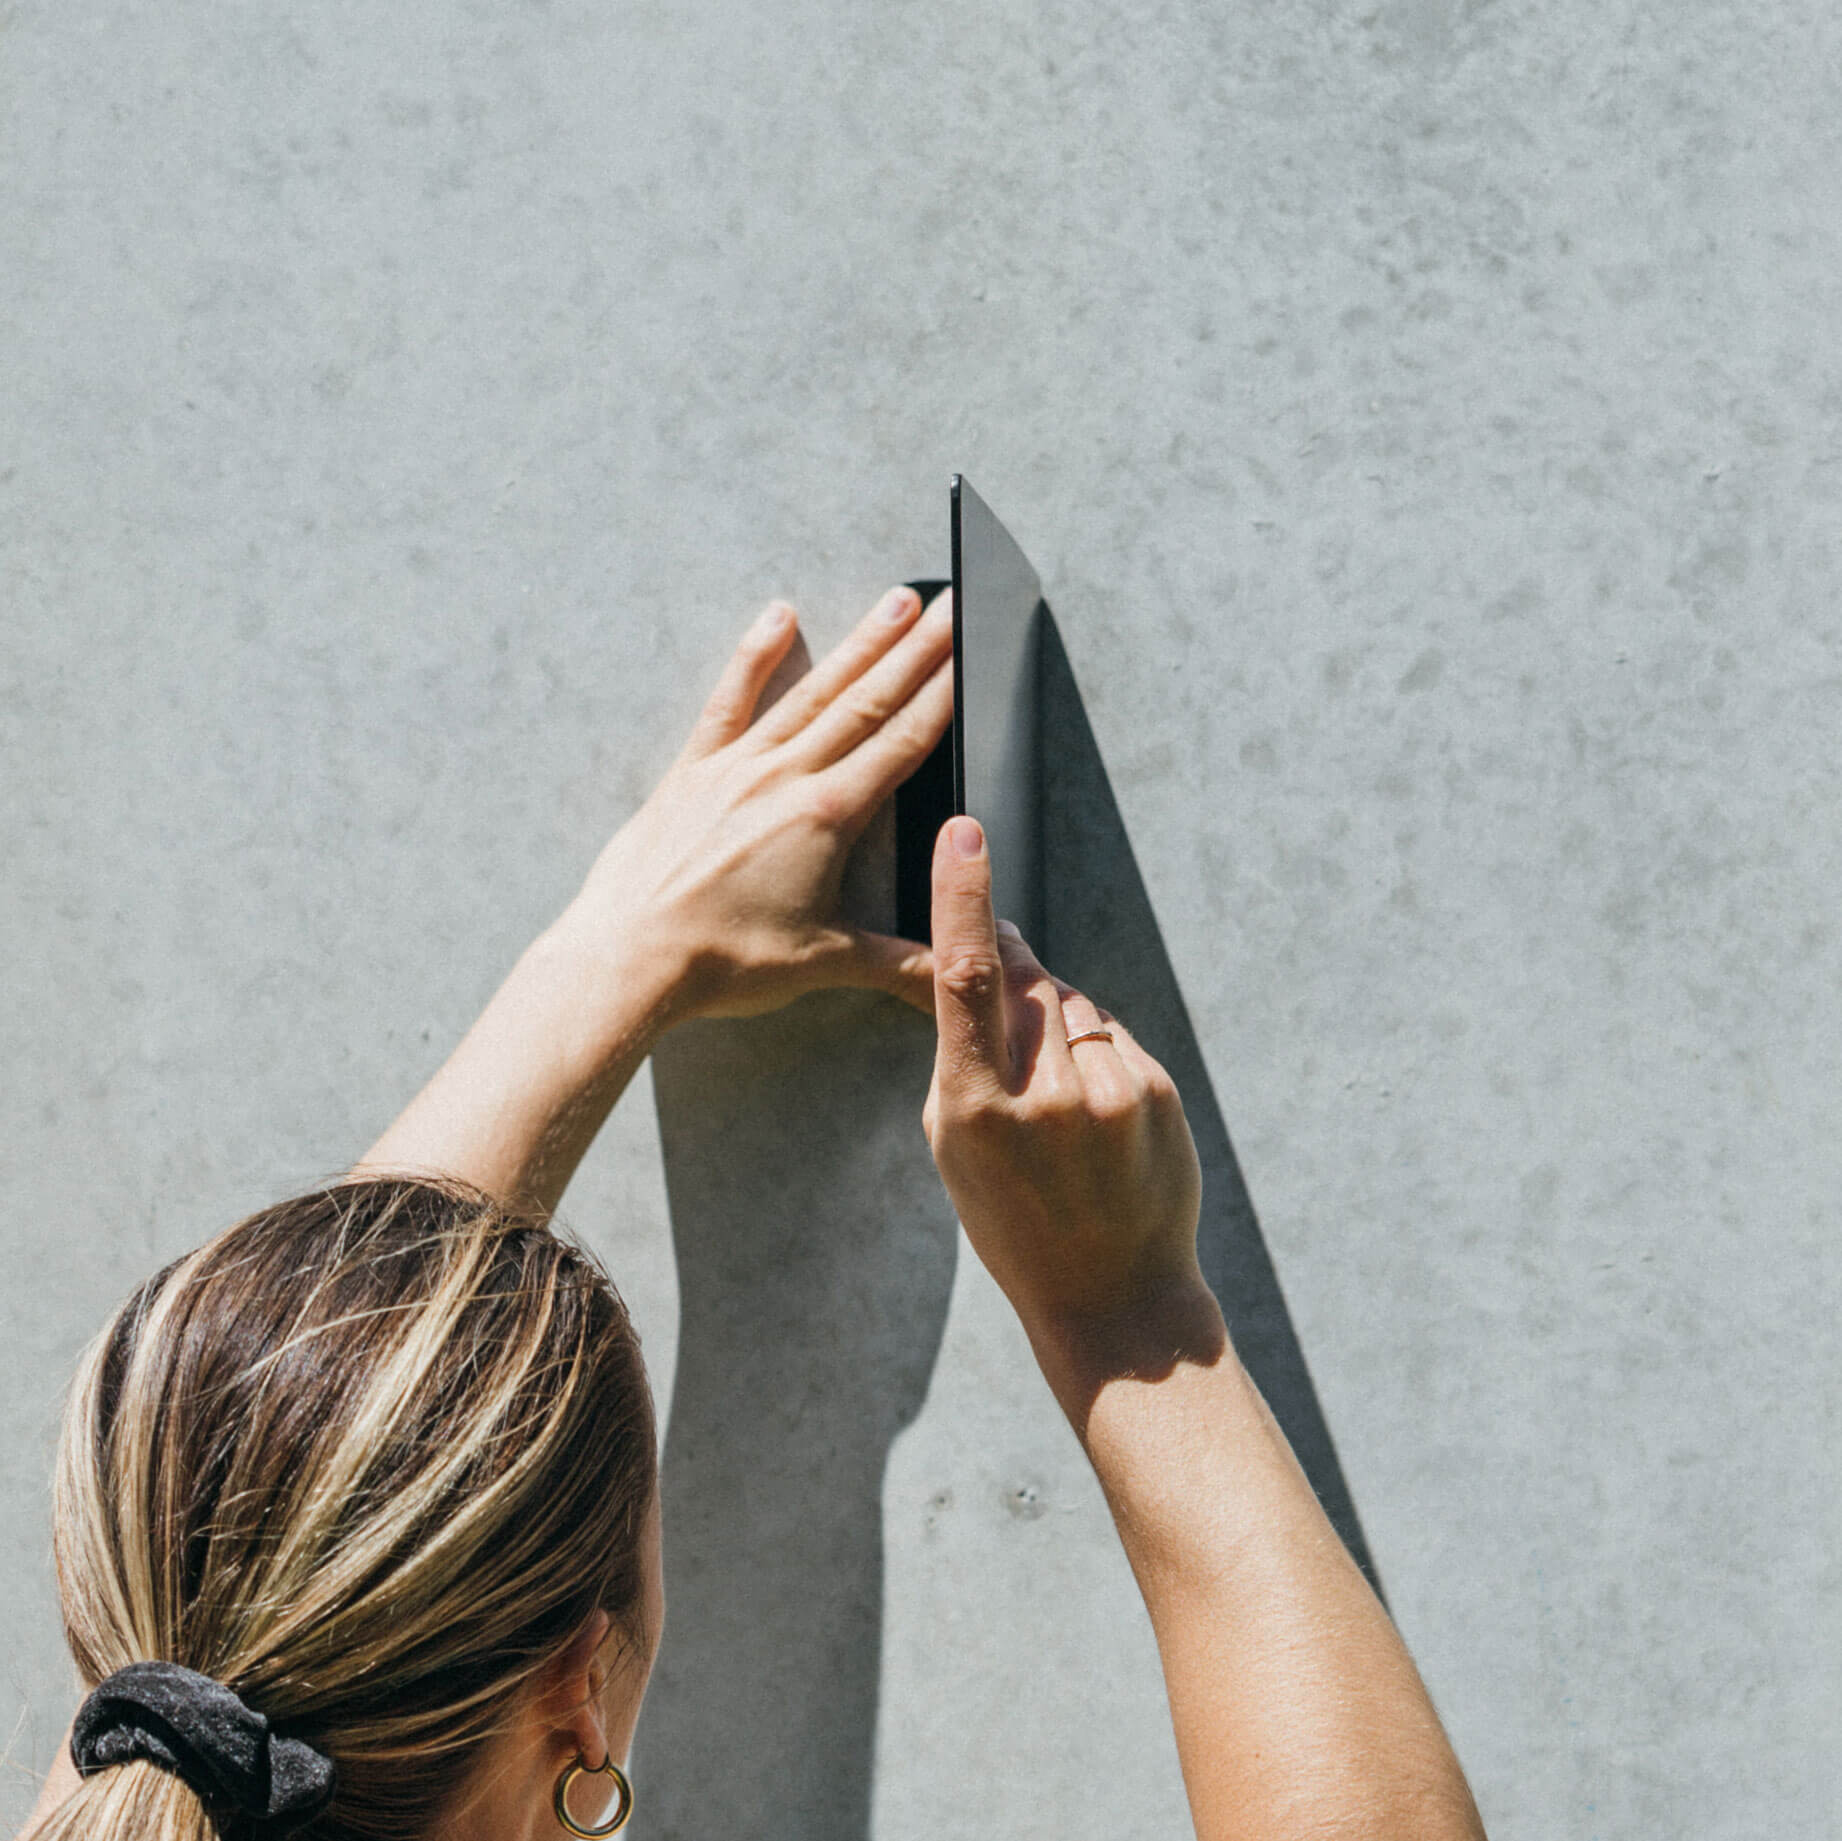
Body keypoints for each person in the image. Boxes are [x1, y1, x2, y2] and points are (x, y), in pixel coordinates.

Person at [18, 584, 1487, 1841]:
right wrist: (1132, 1322)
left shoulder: (155, 1761)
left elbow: (250, 1572)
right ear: (577, 1701)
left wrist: (613, 953)